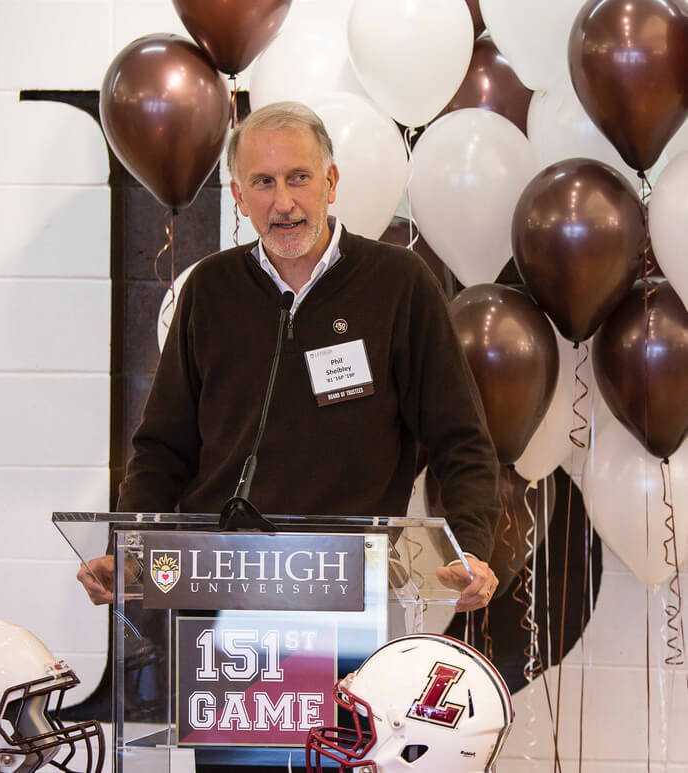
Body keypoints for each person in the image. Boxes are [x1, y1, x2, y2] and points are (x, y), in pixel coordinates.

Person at [78, 101, 501, 613]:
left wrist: (471, 549)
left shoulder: (398, 284)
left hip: (351, 586)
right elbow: (162, 449)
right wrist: (127, 549)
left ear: (331, 181)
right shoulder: (209, 290)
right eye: (263, 182)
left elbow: (461, 440)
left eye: (299, 177)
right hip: (219, 584)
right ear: (238, 196)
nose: (283, 202)